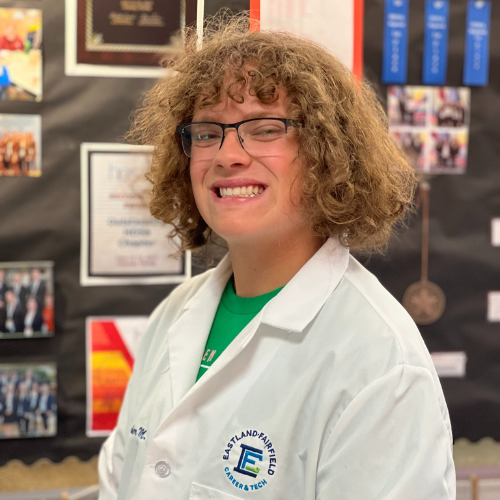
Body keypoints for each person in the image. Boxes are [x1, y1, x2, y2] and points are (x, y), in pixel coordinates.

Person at [98, 15, 455, 500]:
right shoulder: (172, 316)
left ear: (328, 153)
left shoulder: (379, 362)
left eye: (265, 128)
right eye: (206, 132)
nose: (227, 155)